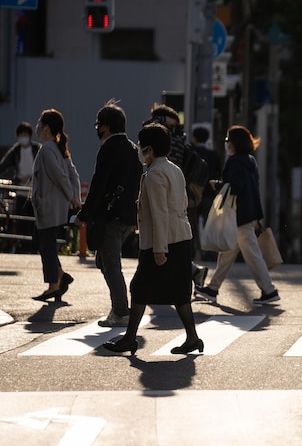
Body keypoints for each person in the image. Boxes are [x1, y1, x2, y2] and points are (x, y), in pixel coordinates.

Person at [103, 124, 202, 355]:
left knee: (139, 288)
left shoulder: (154, 174)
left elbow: (159, 213)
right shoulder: (174, 169)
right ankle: (192, 338)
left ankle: (129, 338)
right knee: (178, 292)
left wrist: (159, 249)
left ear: (149, 148)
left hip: (162, 240)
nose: (139, 150)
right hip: (181, 236)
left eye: (141, 146)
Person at [193, 125, 280, 305]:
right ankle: (212, 289)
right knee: (227, 253)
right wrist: (257, 215)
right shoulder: (250, 161)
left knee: (252, 255)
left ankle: (269, 290)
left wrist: (217, 185)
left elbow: (235, 187)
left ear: (233, 143)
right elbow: (254, 190)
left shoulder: (234, 162)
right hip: (247, 214)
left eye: (227, 140)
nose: (226, 143)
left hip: (238, 216)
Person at [74, 101, 142, 326]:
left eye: (99, 125)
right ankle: (119, 308)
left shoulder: (109, 148)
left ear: (106, 126)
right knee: (105, 261)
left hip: (111, 216)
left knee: (111, 264)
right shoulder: (133, 148)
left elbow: (98, 184)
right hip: (128, 216)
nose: (97, 129)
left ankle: (121, 311)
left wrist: (84, 214)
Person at [144, 104, 209, 288]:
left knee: (163, 234)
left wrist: (162, 121)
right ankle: (191, 272)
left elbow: (147, 127)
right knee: (170, 238)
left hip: (164, 187)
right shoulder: (178, 137)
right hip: (176, 189)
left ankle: (189, 272)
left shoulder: (169, 138)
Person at [31, 109, 81, 302]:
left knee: (46, 244)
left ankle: (54, 284)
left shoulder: (47, 149)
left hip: (49, 206)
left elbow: (59, 176)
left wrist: (73, 197)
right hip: (55, 206)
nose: (38, 128)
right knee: (41, 241)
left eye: (40, 124)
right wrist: (74, 196)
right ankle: (60, 276)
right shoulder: (59, 149)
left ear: (47, 128)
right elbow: (72, 174)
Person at [0, 121, 41, 250]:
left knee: (35, 220)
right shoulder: (16, 151)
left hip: (36, 190)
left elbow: (43, 167)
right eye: (21, 134)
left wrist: (33, 178)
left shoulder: (37, 149)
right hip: (21, 190)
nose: (23, 137)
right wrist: (19, 180)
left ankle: (34, 247)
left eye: (25, 134)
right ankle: (24, 246)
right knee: (21, 220)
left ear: (29, 135)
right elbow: (4, 165)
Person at [191, 126, 222, 258]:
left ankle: (194, 249)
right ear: (208, 137)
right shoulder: (213, 155)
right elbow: (219, 173)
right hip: (209, 193)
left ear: (194, 138)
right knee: (210, 223)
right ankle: (210, 252)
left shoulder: (191, 153)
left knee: (192, 223)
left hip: (192, 193)